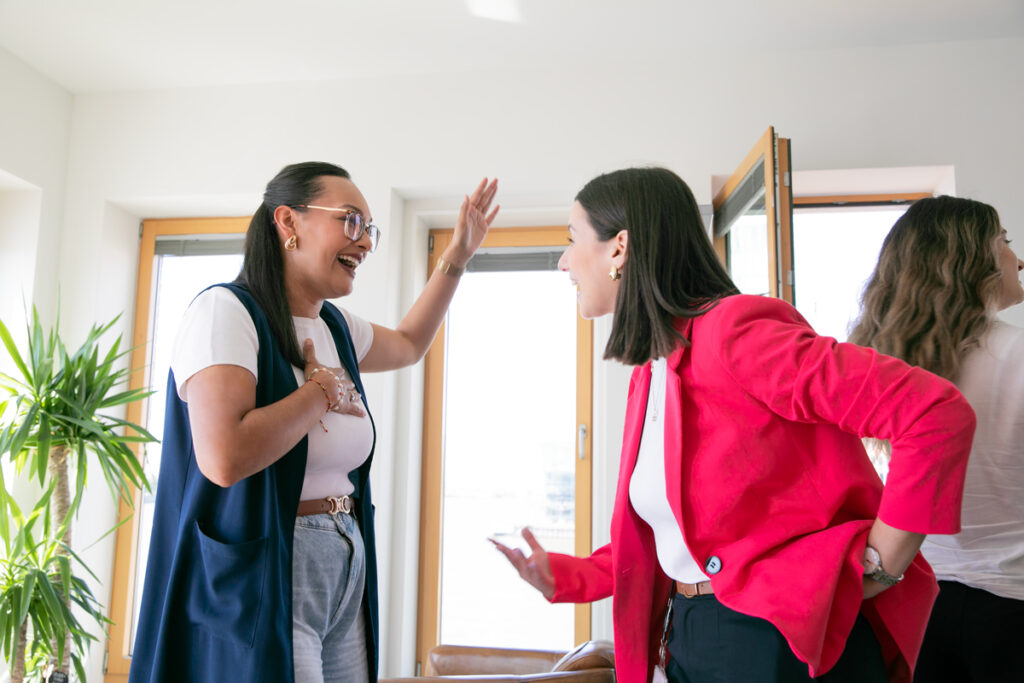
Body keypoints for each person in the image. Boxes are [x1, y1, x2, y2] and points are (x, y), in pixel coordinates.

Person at [491, 167, 975, 683]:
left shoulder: (735, 332)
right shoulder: (651, 372)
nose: (564, 260)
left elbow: (933, 413)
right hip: (693, 634)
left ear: (619, 248)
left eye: (571, 240)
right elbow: (680, 535)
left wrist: (883, 561)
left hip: (773, 639)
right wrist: (562, 576)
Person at [130, 162, 498, 683]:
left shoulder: (334, 325)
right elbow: (224, 457)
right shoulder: (225, 312)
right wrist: (319, 392)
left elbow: (412, 344)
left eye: (369, 229)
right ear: (288, 222)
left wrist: (457, 257)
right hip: (274, 562)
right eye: (350, 221)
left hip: (347, 555)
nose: (365, 242)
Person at [849, 195, 1024, 683]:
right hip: (1012, 604)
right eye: (1005, 242)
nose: (1018, 257)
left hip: (916, 604)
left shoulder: (884, 366)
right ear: (975, 259)